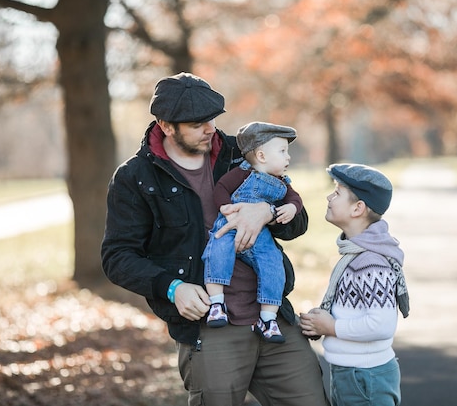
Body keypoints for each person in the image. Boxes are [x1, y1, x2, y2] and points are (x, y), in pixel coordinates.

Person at [101, 72, 330, 406]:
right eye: (197, 124)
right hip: (209, 327)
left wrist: (266, 211)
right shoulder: (135, 177)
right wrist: (172, 287)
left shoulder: (244, 152)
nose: (210, 129)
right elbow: (117, 257)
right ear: (166, 125)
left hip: (273, 317)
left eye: (211, 119)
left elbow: (298, 222)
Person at [299, 163, 410, 406]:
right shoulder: (357, 255)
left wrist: (332, 327)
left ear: (358, 208)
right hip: (353, 373)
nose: (329, 196)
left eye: (337, 192)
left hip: (365, 378)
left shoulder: (370, 262)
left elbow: (381, 325)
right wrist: (322, 322)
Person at [202, 121, 302, 344]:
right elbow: (222, 188)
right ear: (262, 156)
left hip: (261, 236)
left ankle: (267, 319)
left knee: (273, 263)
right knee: (218, 248)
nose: (288, 158)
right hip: (230, 225)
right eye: (283, 151)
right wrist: (225, 207)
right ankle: (216, 303)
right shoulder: (241, 173)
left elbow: (295, 199)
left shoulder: (282, 182)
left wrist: (291, 208)